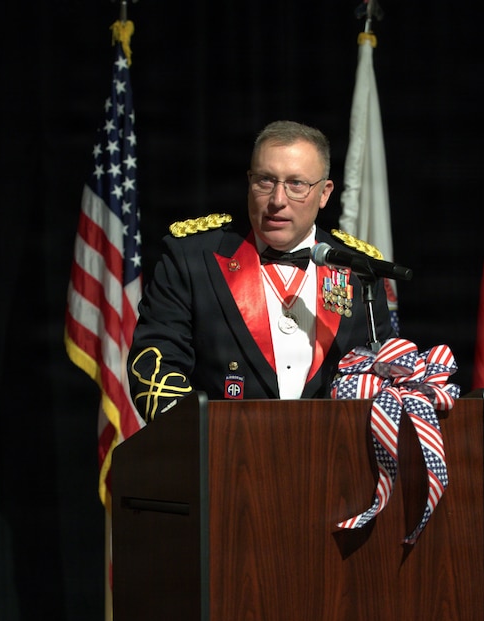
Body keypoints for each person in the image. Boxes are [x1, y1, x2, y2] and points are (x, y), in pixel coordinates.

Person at [127, 120, 393, 422]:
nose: (278, 200)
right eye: (266, 181)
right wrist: (201, 435)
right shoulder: (192, 258)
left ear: (324, 193)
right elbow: (155, 363)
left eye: (296, 184)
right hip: (221, 447)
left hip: (330, 448)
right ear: (249, 182)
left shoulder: (358, 271)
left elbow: (382, 377)